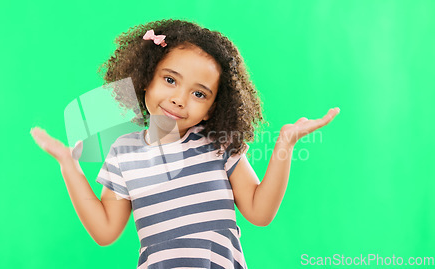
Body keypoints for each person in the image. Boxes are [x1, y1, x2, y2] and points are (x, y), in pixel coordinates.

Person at [30, 18, 340, 269]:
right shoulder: (123, 152)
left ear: (215, 105)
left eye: (199, 93)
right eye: (170, 80)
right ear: (146, 77)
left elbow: (260, 212)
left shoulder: (218, 143)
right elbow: (105, 230)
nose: (179, 99)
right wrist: (68, 164)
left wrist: (285, 142)